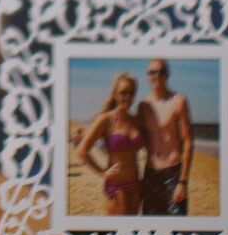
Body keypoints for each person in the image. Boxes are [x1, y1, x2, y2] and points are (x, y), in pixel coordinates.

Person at [77, 72, 144, 215]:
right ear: (115, 94)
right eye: (123, 93)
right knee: (119, 231)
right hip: (116, 185)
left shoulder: (136, 120)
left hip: (136, 184)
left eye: (131, 93)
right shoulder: (106, 120)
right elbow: (82, 151)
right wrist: (102, 173)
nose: (127, 97)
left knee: (132, 231)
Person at [138, 58, 192, 215]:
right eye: (152, 72)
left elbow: (188, 141)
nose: (157, 75)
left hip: (173, 173)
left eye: (161, 71)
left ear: (167, 75)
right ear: (148, 77)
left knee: (176, 227)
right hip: (150, 173)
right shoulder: (143, 106)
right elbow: (134, 137)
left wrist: (182, 181)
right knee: (150, 226)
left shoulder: (179, 101)